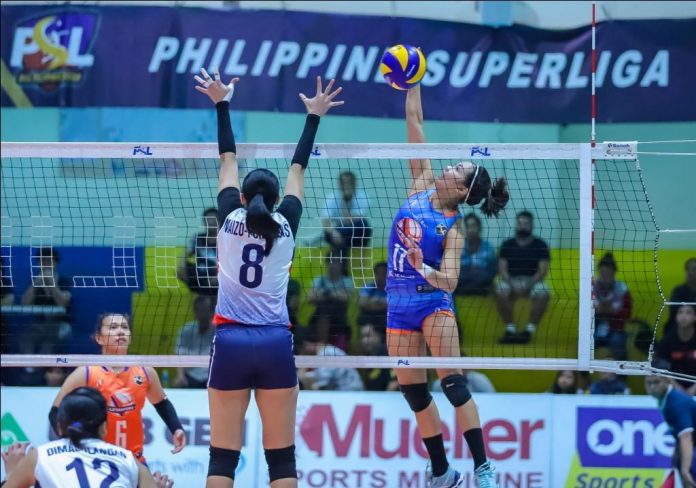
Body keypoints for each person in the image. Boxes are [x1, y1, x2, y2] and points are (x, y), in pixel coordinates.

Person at [194, 69, 343, 488]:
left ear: (242, 197)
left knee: (222, 458)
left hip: (231, 341)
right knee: (281, 460)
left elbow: (227, 158)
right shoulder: (289, 222)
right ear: (277, 200)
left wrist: (221, 103)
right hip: (276, 340)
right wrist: (314, 116)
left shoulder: (227, 215)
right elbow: (299, 166)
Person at [386, 84, 508, 487]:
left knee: (453, 384)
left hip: (432, 302)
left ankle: (483, 468)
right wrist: (413, 80)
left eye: (458, 169)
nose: (449, 167)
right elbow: (414, 121)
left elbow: (451, 281)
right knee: (415, 395)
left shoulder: (452, 228)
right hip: (397, 304)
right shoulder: (419, 182)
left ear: (463, 189)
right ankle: (442, 471)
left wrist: (424, 268)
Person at [49, 313, 187, 464]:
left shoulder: (145, 371)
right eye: (113, 327)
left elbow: (161, 402)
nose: (121, 331)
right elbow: (55, 412)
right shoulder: (86, 372)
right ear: (99, 338)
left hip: (134, 460)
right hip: (96, 461)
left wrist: (176, 428)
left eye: (125, 327)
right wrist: (70, 441)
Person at [1, 387, 172, 488]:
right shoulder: (130, 459)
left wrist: (11, 473)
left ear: (60, 427)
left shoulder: (40, 456)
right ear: (105, 427)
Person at [496, 211, 551, 344]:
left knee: (544, 292)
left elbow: (542, 270)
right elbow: (502, 269)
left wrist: (529, 284)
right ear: (516, 225)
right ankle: (510, 330)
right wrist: (512, 283)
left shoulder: (540, 245)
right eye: (520, 223)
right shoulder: (507, 245)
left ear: (532, 226)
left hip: (532, 281)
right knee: (499, 290)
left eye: (526, 223)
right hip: (511, 281)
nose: (522, 226)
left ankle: (528, 331)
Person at [645, 360, 695, 488]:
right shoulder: (664, 399)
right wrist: (677, 452)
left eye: (656, 382)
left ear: (667, 380)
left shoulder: (676, 402)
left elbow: (686, 437)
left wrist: (685, 469)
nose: (652, 387)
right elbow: (680, 434)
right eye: (648, 383)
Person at [20, 247, 72, 355]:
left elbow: (62, 303)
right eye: (43, 261)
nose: (46, 264)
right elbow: (24, 304)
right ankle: (30, 369)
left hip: (61, 324)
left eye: (49, 261)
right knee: (25, 339)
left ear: (56, 263)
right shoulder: (34, 282)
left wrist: (51, 283)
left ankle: (44, 369)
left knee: (49, 343)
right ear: (38, 263)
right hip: (40, 325)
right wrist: (35, 284)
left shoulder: (64, 281)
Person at [322, 171, 372, 264]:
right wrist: (334, 232)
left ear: (354, 183)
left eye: (349, 182)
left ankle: (335, 260)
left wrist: (344, 200)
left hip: (358, 233)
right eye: (343, 182)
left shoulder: (362, 197)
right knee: (330, 235)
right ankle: (340, 267)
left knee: (363, 224)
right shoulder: (331, 198)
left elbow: (349, 220)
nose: (346, 185)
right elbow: (326, 222)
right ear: (339, 184)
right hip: (339, 233)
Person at [307, 254, 354, 350]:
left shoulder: (346, 281)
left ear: (341, 265)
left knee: (329, 308)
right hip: (319, 318)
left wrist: (325, 294)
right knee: (324, 311)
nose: (333, 265)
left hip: (339, 319)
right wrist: (335, 294)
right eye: (331, 262)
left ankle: (326, 344)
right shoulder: (319, 280)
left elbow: (346, 297)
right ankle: (321, 344)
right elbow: (310, 298)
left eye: (336, 262)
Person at [592, 252, 632, 361]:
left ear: (613, 272)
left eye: (608, 273)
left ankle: (621, 376)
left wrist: (610, 311)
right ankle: (584, 376)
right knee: (585, 343)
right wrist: (601, 310)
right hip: (594, 328)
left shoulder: (622, 289)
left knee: (617, 341)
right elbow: (583, 312)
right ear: (599, 271)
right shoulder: (591, 287)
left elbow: (627, 314)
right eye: (602, 273)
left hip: (616, 328)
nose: (605, 276)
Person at [295, 329, 364, 391]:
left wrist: (303, 374)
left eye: (301, 349)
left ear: (306, 345)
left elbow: (322, 387)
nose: (301, 353)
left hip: (350, 393)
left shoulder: (326, 353)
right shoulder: (328, 350)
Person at [174, 295, 216, 388]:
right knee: (179, 384)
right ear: (195, 312)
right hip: (192, 376)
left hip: (213, 376)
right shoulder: (186, 330)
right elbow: (179, 356)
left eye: (206, 310)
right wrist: (180, 376)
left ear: (211, 312)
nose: (203, 314)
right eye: (200, 310)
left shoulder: (218, 331)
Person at [177, 207, 219, 295]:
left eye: (213, 219)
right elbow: (185, 254)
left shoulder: (224, 239)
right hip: (202, 276)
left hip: (219, 277)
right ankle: (199, 292)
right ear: (204, 222)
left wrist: (218, 278)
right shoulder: (197, 238)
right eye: (208, 219)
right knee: (181, 271)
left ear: (218, 220)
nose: (210, 222)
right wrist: (181, 267)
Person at [454, 213, 497, 296]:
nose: (471, 230)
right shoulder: (457, 246)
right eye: (468, 226)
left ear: (479, 228)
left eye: (473, 226)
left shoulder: (488, 248)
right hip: (461, 284)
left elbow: (492, 270)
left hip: (482, 285)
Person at [656, 304, 696, 394]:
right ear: (675, 317)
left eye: (688, 312)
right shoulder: (667, 341)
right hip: (672, 388)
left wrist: (693, 390)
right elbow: (661, 367)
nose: (683, 316)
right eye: (680, 312)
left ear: (695, 317)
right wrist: (676, 388)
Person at [359, 323, 398, 391]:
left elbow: (394, 382)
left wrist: (383, 398)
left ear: (378, 336)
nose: (365, 341)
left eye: (368, 336)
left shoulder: (387, 353)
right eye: (362, 337)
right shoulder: (367, 356)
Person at [664, 258, 696, 336]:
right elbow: (674, 311)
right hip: (677, 332)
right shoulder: (678, 291)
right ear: (687, 272)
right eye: (694, 269)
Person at [358, 262, 388, 330]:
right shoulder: (368, 287)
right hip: (369, 320)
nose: (381, 276)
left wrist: (376, 301)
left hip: (386, 320)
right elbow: (363, 303)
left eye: (383, 273)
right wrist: (384, 304)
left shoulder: (393, 289)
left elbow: (394, 305)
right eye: (378, 273)